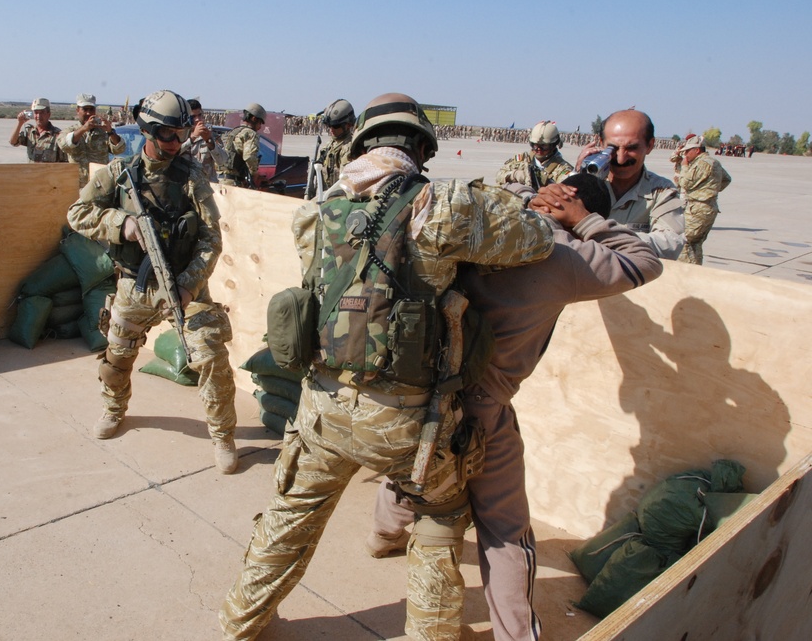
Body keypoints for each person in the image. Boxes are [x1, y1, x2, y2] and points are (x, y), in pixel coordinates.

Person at [220, 93, 558, 641]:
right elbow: (536, 238)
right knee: (439, 522)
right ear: (420, 148)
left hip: (322, 411)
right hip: (409, 426)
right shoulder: (444, 206)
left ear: (359, 145)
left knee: (289, 517)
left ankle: (240, 622)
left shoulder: (315, 214)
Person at [369, 172, 664, 641]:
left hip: (420, 383)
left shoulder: (478, 225)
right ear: (574, 205)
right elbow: (644, 262)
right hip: (484, 405)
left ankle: (384, 536)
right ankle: (516, 634)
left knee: (419, 461)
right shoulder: (565, 257)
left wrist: (530, 196)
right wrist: (586, 220)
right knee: (506, 529)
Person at [66, 90, 239, 474]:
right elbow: (77, 213)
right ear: (148, 132)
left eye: (181, 135)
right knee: (117, 356)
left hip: (184, 288)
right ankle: (114, 410)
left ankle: (223, 435)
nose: (177, 144)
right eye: (169, 136)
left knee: (211, 357)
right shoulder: (119, 174)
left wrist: (190, 285)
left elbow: (211, 238)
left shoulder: (192, 177)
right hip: (133, 285)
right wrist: (120, 224)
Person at [536, 109, 685, 260]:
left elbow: (670, 244)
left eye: (631, 148)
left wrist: (593, 229)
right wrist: (577, 178)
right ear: (600, 143)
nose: (620, 159)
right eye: (613, 148)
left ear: (650, 145)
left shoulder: (661, 191)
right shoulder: (586, 180)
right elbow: (545, 226)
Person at [675, 135, 732, 265]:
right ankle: (696, 270)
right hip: (709, 207)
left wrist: (684, 167)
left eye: (688, 151)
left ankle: (686, 272)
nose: (685, 155)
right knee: (696, 243)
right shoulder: (714, 162)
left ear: (697, 150)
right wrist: (710, 189)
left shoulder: (700, 163)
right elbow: (726, 179)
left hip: (698, 208)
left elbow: (684, 183)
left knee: (683, 241)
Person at [58, 93, 126, 188]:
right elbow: (64, 145)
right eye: (85, 109)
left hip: (100, 187)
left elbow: (120, 149)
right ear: (78, 110)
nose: (88, 113)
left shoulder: (103, 132)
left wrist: (110, 132)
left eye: (91, 109)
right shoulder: (70, 131)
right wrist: (83, 129)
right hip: (77, 188)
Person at [494, 121, 573, 189]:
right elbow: (499, 175)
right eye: (535, 145)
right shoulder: (522, 159)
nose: (538, 149)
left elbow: (567, 188)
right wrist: (515, 175)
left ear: (553, 145)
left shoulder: (562, 169)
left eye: (544, 146)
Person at [218, 103, 265, 188]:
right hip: (232, 184)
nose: (260, 127)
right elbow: (249, 157)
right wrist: (255, 173)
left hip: (218, 181)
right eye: (260, 123)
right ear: (254, 119)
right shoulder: (250, 133)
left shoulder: (233, 132)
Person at [181, 98, 228, 183]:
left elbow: (222, 161)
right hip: (185, 186)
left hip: (206, 187)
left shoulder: (211, 135)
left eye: (199, 115)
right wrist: (192, 138)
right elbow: (172, 154)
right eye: (193, 117)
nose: (198, 119)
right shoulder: (179, 136)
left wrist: (209, 140)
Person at [8, 97, 67, 163]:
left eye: (42, 112)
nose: (38, 116)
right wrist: (20, 123)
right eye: (36, 113)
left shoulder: (57, 135)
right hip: (32, 172)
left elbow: (64, 162)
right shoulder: (30, 132)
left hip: (49, 173)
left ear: (48, 114)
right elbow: (13, 142)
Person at [317, 98, 356, 189]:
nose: (331, 130)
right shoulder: (329, 145)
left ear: (348, 125)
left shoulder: (350, 147)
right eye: (329, 125)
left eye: (335, 126)